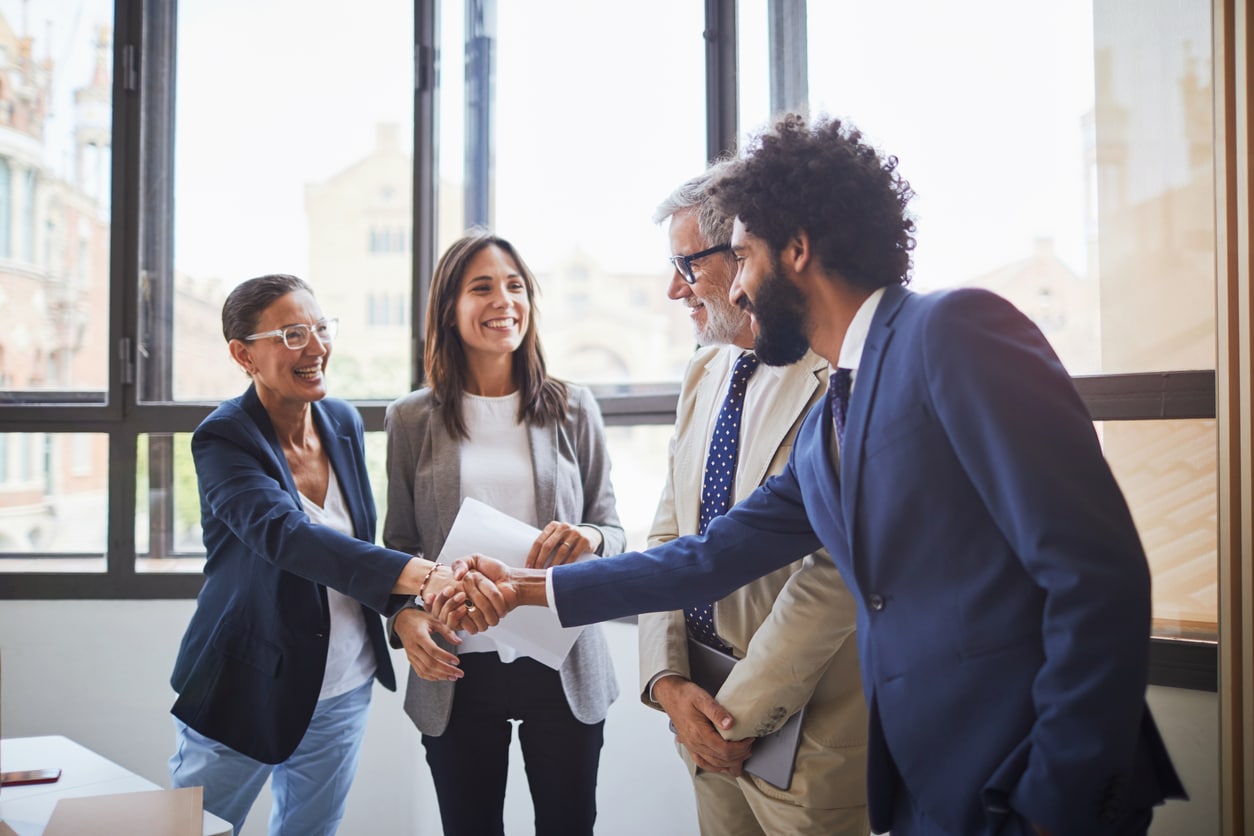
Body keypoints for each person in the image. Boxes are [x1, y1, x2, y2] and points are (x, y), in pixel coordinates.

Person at [449, 114, 1188, 836]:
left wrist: (1056, 800)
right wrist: (526, 591)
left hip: (1027, 781)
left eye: (741, 257)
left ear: (796, 249)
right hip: (926, 786)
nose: (734, 290)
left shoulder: (955, 331)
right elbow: (708, 558)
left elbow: (1098, 576)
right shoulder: (835, 412)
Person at [168, 274, 486, 835]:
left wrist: (401, 608)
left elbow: (356, 547)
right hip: (246, 684)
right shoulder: (224, 439)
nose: (316, 348)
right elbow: (284, 536)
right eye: (292, 334)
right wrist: (419, 575)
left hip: (342, 686)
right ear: (244, 355)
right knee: (194, 830)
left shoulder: (340, 420)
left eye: (319, 328)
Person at [641, 166, 868, 835]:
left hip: (809, 732)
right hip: (697, 708)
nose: (674, 288)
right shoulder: (704, 367)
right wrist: (667, 683)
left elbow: (834, 577)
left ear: (748, 253)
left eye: (688, 264)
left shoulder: (838, 378)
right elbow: (668, 536)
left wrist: (734, 712)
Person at [383, 230, 623, 836]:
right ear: (449, 308)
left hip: (562, 659)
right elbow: (397, 548)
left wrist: (591, 538)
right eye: (482, 287)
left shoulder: (573, 406)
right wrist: (404, 617)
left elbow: (614, 529)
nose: (504, 301)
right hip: (458, 664)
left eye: (515, 286)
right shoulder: (411, 418)